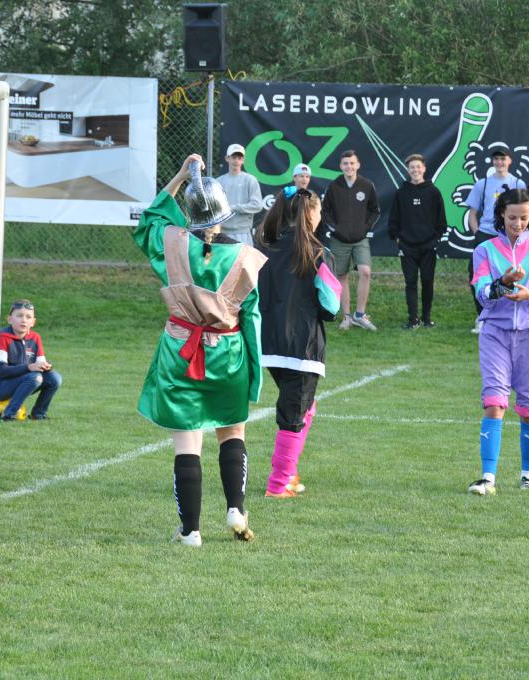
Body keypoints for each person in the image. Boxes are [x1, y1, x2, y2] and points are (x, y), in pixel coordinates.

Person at [134, 153, 267, 547]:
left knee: (187, 441)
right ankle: (236, 509)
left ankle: (191, 530)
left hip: (181, 350)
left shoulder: (172, 244)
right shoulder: (244, 258)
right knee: (233, 430)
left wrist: (180, 175)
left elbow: (150, 220)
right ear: (224, 214)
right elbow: (252, 319)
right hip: (228, 353)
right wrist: (254, 375)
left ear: (189, 214)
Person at [467, 188, 529, 496]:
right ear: (501, 215)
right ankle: (487, 478)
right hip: (495, 332)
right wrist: (503, 283)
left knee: (528, 409)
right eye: (512, 217)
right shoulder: (484, 250)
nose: (518, 223)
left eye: (523, 217)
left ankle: (527, 475)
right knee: (494, 403)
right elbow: (483, 294)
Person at [256, 186, 341, 498]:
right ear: (311, 213)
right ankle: (278, 485)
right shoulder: (318, 253)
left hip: (269, 346)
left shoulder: (263, 248)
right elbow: (331, 306)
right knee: (293, 416)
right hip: (302, 348)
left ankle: (288, 473)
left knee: (305, 406)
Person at [464, 144, 527, 334]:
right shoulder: (482, 184)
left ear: (510, 161)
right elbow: (472, 213)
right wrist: (477, 233)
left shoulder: (518, 184)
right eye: (496, 159)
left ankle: (506, 316)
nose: (500, 162)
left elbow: (524, 212)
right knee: (478, 275)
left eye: (503, 159)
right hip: (485, 234)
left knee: (508, 274)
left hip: (508, 236)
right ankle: (482, 316)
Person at [320, 149, 380, 331]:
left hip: (360, 239)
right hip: (339, 240)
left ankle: (360, 315)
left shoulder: (367, 185)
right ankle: (347, 317)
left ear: (358, 165)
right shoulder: (333, 186)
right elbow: (325, 212)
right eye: (345, 163)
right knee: (341, 276)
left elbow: (375, 211)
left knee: (365, 272)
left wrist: (365, 228)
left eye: (352, 163)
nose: (349, 166)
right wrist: (336, 229)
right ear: (341, 166)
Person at [387, 153, 448, 329]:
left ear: (424, 169)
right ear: (408, 170)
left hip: (428, 246)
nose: (415, 170)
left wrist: (435, 238)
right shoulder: (401, 193)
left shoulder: (433, 192)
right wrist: (398, 238)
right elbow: (394, 219)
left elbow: (441, 221)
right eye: (412, 167)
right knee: (411, 282)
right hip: (407, 247)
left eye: (418, 167)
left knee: (428, 281)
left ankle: (426, 318)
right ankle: (413, 319)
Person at [0, 299, 62, 420]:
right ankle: (8, 415)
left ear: (33, 322)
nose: (24, 320)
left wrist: (47, 366)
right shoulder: (2, 337)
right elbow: (0, 370)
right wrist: (28, 367)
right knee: (35, 377)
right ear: (9, 319)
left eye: (28, 317)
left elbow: (40, 363)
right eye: (19, 316)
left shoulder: (35, 338)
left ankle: (38, 414)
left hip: (25, 381)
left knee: (55, 378)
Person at [215, 143, 263, 246]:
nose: (236, 161)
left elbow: (257, 205)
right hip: (222, 234)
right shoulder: (218, 182)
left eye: (239, 158)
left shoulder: (250, 180)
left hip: (243, 233)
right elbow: (214, 208)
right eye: (233, 157)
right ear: (227, 158)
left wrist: (233, 208)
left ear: (243, 160)